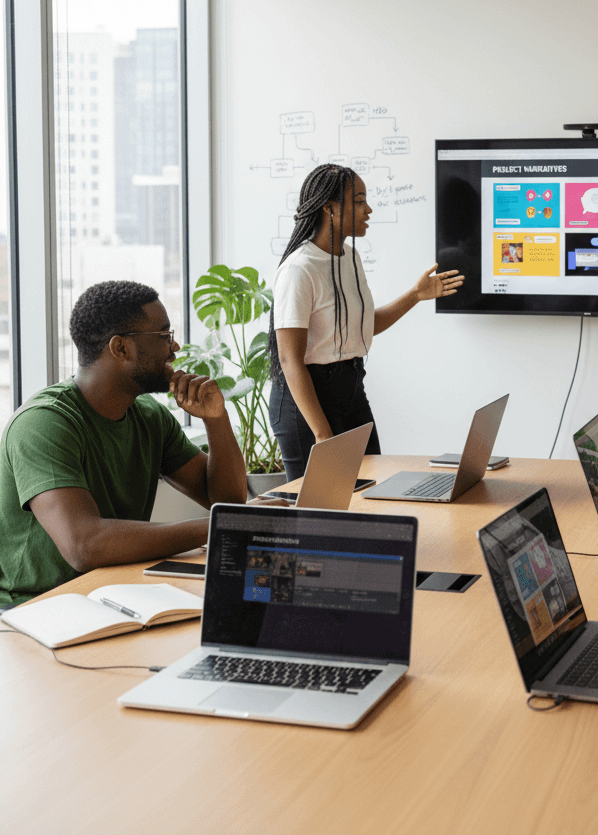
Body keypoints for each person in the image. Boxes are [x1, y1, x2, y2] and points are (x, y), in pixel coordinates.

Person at [0, 281, 249, 608]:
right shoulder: (44, 424)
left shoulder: (149, 416)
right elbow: (84, 546)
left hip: (115, 596)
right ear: (120, 349)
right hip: (37, 612)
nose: (174, 348)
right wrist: (223, 527)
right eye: (163, 336)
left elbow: (227, 501)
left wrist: (216, 419)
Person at [269, 164, 464, 480]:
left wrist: (416, 295)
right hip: (307, 404)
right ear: (329, 208)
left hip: (350, 389)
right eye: (359, 201)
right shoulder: (299, 269)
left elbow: (363, 327)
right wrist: (322, 433)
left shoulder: (350, 257)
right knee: (315, 513)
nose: (368, 209)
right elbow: (290, 359)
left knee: (369, 492)